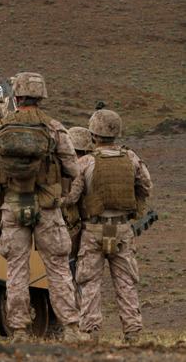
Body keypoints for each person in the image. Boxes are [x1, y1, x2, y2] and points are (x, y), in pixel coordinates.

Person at [0, 72, 89, 343]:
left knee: (16, 270)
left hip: (12, 207)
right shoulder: (54, 128)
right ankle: (72, 329)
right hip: (48, 208)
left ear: (16, 97)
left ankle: (19, 330)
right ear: (41, 96)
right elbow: (73, 168)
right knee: (57, 268)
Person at [62, 109, 152, 344]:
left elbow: (71, 197)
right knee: (126, 283)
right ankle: (132, 332)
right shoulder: (131, 158)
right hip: (122, 229)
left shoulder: (86, 162)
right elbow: (146, 187)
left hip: (93, 230)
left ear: (94, 135)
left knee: (90, 283)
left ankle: (90, 332)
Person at [63, 127, 96, 259]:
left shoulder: (81, 165)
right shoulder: (95, 162)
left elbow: (71, 197)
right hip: (113, 227)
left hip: (86, 228)